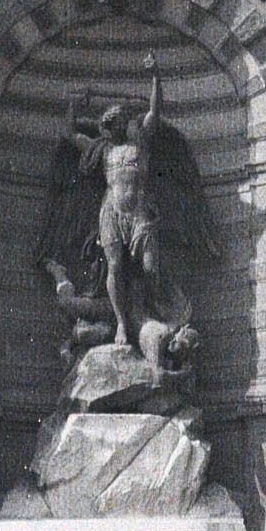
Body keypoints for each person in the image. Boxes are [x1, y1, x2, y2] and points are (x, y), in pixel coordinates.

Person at [71, 54, 164, 350]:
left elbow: (155, 111)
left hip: (138, 211)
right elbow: (69, 133)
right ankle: (123, 323)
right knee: (114, 267)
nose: (122, 124)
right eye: (117, 121)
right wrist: (75, 103)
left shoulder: (142, 144)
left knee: (150, 267)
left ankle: (148, 310)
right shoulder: (102, 151)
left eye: (124, 120)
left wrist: (156, 76)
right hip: (111, 211)